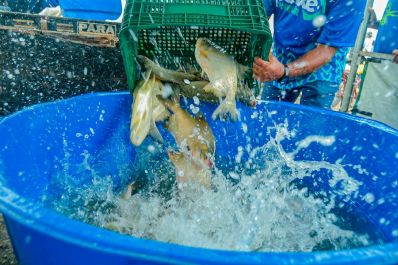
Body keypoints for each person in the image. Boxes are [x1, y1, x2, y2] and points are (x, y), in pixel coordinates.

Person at [253, 0, 366, 109]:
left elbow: (327, 50)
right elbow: (255, 19)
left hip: (323, 69)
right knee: (267, 118)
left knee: (311, 124)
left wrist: (285, 71)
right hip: (280, 59)